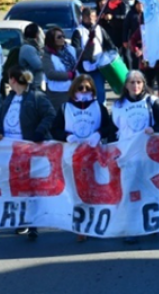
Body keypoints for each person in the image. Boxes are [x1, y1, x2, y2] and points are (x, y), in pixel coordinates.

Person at [0, 66, 56, 240]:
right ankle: (22, 220)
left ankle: (33, 222)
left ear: (12, 79)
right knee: (16, 186)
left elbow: (50, 114)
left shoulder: (36, 97)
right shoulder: (9, 98)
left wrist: (39, 133)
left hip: (30, 149)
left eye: (8, 78)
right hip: (11, 150)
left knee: (32, 187)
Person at [51, 74, 116, 242]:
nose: (84, 91)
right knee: (76, 191)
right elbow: (55, 129)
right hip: (72, 157)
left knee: (94, 189)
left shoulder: (99, 107)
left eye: (88, 88)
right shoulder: (65, 108)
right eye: (81, 88)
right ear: (74, 90)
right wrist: (67, 136)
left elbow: (109, 127)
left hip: (94, 155)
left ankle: (95, 223)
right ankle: (81, 225)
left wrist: (99, 133)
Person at [111, 70, 159, 244]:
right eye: (132, 82)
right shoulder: (118, 105)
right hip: (127, 155)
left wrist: (155, 129)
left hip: (149, 154)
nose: (136, 86)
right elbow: (112, 129)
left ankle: (153, 223)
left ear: (144, 84)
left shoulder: (151, 102)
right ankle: (132, 228)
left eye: (139, 82)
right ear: (126, 85)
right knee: (130, 192)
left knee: (150, 191)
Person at [129, 15, 159, 107]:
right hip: (147, 60)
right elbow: (133, 40)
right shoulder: (142, 29)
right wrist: (136, 50)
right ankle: (150, 100)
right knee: (148, 82)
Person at [73, 7, 117, 105]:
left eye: (93, 16)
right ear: (83, 17)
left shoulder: (99, 29)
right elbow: (76, 50)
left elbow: (109, 44)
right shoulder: (78, 32)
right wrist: (86, 56)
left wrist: (113, 54)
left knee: (100, 91)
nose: (90, 19)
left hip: (99, 67)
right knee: (86, 92)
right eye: (88, 16)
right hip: (84, 68)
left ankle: (102, 111)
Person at [42, 26, 77, 110]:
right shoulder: (47, 55)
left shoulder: (70, 49)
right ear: (52, 40)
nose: (62, 38)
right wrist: (69, 75)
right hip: (57, 93)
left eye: (63, 36)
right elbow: (50, 73)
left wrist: (91, 42)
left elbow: (85, 55)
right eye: (59, 37)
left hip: (73, 89)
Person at [19, 23, 45, 92]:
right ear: (37, 34)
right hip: (32, 86)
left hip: (36, 84)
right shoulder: (28, 48)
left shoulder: (33, 46)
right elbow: (39, 66)